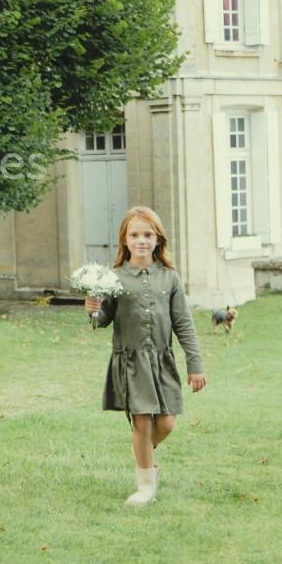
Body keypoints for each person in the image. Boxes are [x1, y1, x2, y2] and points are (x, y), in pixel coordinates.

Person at [84, 206, 206, 507]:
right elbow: (103, 320)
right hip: (131, 362)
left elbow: (184, 325)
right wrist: (93, 310)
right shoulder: (114, 278)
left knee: (166, 424)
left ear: (157, 239)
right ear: (125, 241)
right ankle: (145, 486)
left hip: (162, 361)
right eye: (134, 234)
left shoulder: (170, 278)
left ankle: (145, 459)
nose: (141, 240)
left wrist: (195, 364)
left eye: (147, 234)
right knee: (142, 423)